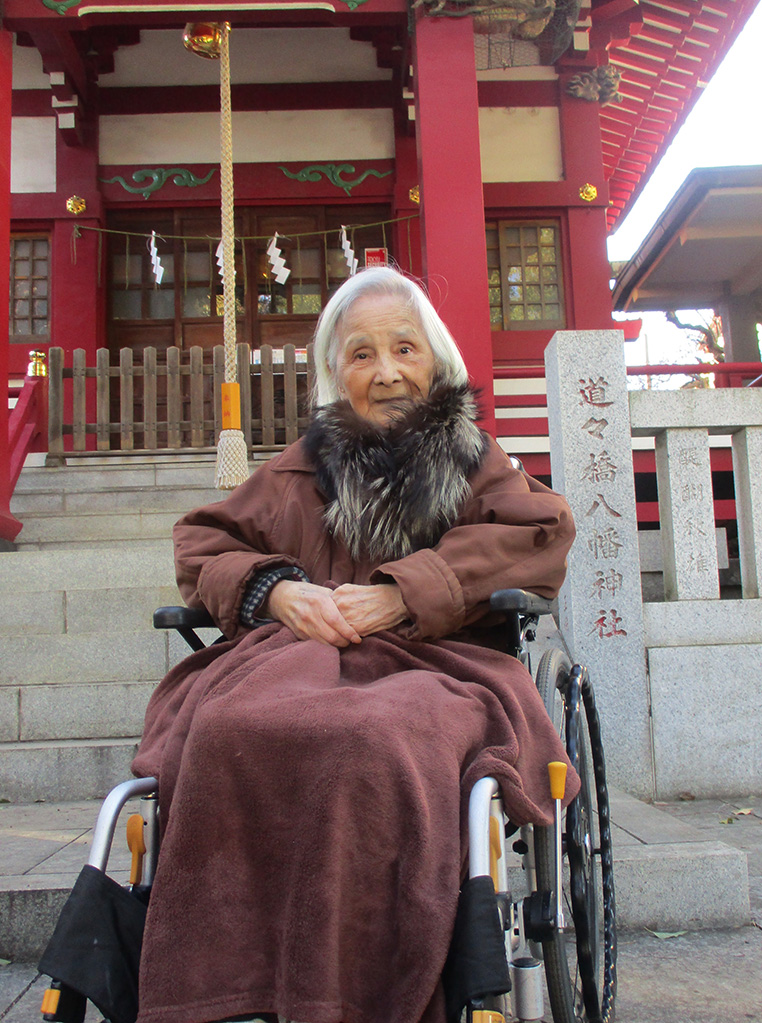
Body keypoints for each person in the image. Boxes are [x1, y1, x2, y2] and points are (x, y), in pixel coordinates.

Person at [132, 266, 577, 1023]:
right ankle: (226, 986)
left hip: (440, 663)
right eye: (362, 354)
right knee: (227, 729)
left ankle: (359, 988)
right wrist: (274, 589)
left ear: (436, 361)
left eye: (404, 348)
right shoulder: (298, 468)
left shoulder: (474, 459)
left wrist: (405, 591)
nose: (387, 371)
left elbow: (539, 532)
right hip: (294, 661)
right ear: (336, 375)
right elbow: (203, 539)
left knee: (373, 739)